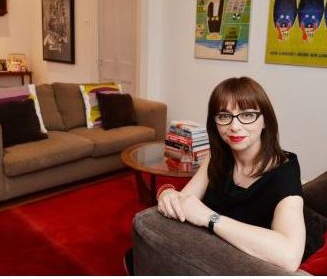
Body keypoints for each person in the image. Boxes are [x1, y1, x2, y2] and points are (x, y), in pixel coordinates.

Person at [126, 77, 305, 274]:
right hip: (207, 251)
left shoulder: (285, 172)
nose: (234, 126)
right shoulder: (218, 156)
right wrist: (168, 193)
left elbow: (289, 255)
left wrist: (209, 218)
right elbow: (185, 201)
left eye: (246, 115)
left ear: (265, 121)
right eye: (224, 116)